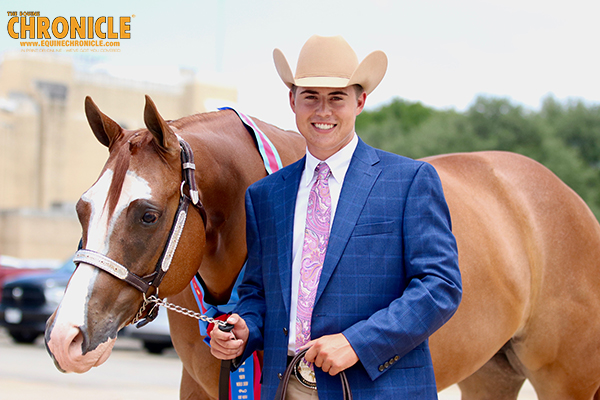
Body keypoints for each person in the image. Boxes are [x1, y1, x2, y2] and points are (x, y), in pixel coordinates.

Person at [210, 35, 462, 399]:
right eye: (310, 96)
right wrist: (244, 329)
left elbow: (440, 286)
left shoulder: (409, 182)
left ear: (360, 101)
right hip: (287, 388)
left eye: (337, 98)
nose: (323, 111)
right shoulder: (266, 195)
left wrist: (357, 343)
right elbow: (258, 293)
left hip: (378, 388)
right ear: (292, 101)